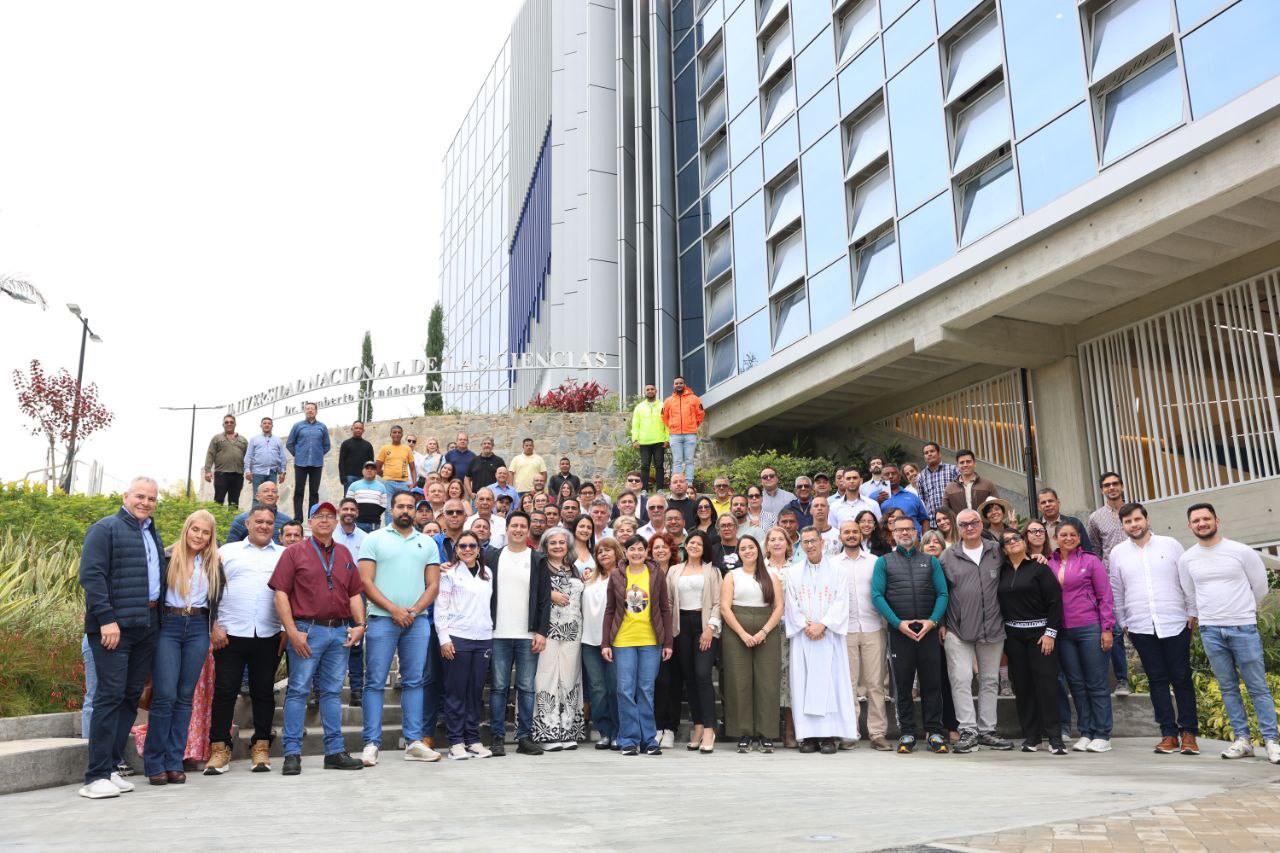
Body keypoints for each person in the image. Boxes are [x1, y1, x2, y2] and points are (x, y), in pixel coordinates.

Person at [78, 477, 164, 800]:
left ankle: (111, 766)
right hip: (114, 628)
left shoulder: (150, 531)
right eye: (140, 496)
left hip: (146, 626)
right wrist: (107, 620)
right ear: (126, 496)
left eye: (152, 498)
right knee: (109, 696)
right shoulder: (105, 529)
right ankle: (95, 775)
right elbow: (92, 576)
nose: (145, 502)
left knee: (130, 696)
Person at [269, 501, 366, 775]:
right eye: (318, 516)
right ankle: (292, 753)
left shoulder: (345, 553)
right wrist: (291, 632)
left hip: (339, 631)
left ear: (336, 523)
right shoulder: (294, 553)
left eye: (329, 516)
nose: (324, 520)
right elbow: (280, 594)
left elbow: (355, 593)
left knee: (333, 692)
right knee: (299, 691)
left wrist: (360, 625)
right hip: (307, 631)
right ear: (310, 523)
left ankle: (334, 751)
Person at [1178, 503, 1278, 764]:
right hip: (1210, 630)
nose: (1201, 523)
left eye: (1206, 518)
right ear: (1190, 526)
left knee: (1257, 687)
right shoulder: (1187, 558)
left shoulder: (1241, 551)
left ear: (1216, 520)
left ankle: (1271, 741)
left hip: (1243, 627)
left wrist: (1243, 612)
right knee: (1228, 687)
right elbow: (1190, 594)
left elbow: (1260, 587)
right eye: (1196, 520)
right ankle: (1242, 741)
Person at [357, 491, 442, 767]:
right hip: (383, 619)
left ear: (416, 512)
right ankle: (371, 743)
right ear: (391, 509)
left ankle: (414, 741)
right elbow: (365, 582)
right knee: (375, 681)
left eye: (410, 507)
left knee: (415, 680)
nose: (405, 510)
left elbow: (433, 586)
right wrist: (394, 609)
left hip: (416, 622)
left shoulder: (427, 542)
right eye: (400, 506)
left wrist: (414, 611)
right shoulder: (374, 539)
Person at [1109, 502, 1198, 756]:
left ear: (1146, 519)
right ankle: (1168, 734)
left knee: (1181, 677)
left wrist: (1192, 612)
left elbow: (1186, 580)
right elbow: (1117, 589)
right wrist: (1123, 620)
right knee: (1157, 679)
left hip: (1175, 621)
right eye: (1128, 522)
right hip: (1140, 625)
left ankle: (1189, 733)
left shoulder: (1170, 545)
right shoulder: (1118, 553)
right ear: (1123, 525)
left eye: (1137, 519)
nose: (1133, 525)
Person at [139, 510, 221, 785]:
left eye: (205, 532)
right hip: (169, 626)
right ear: (186, 530)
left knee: (185, 697)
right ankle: (154, 762)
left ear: (211, 537)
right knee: (165, 696)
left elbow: (216, 601)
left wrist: (214, 627)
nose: (199, 536)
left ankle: (174, 760)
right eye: (195, 529)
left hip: (198, 627)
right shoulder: (166, 557)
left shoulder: (213, 564)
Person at [205, 505, 284, 776]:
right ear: (248, 523)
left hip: (268, 633)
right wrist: (213, 625)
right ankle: (219, 749)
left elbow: (290, 594)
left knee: (263, 692)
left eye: (269, 522)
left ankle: (261, 747)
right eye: (258, 521)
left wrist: (286, 629)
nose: (264, 526)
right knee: (225, 692)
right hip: (230, 634)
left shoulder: (284, 555)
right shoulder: (227, 552)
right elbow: (210, 591)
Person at [871, 514, 950, 754]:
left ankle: (934, 732)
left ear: (916, 532)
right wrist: (898, 624)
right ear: (892, 534)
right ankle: (907, 732)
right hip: (900, 632)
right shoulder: (884, 562)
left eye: (909, 529)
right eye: (900, 530)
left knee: (932, 684)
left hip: (927, 631)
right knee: (903, 685)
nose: (905, 533)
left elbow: (943, 594)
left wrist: (932, 622)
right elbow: (877, 596)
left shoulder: (930, 561)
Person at [938, 509, 1012, 753]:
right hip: (958, 629)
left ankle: (987, 730)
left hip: (992, 626)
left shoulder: (997, 551)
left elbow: (1021, 562)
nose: (969, 527)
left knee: (990, 680)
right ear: (957, 528)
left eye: (974, 522)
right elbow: (939, 592)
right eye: (964, 524)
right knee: (960, 679)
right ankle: (968, 730)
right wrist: (941, 623)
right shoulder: (947, 556)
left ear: (981, 524)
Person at [483, 511, 552, 756]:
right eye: (515, 525)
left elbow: (545, 600)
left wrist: (541, 632)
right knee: (500, 687)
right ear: (507, 528)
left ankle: (524, 737)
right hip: (498, 632)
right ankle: (498, 738)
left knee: (526, 687)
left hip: (527, 634)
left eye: (524, 526)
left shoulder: (537, 559)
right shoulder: (492, 556)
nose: (519, 530)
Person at [786, 527, 857, 755]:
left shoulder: (838, 570)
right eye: (805, 542)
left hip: (829, 636)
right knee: (804, 684)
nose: (810, 546)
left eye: (813, 541)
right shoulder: (794, 572)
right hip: (804, 637)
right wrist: (806, 625)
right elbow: (791, 604)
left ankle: (828, 736)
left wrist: (823, 624)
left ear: (822, 542)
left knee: (831, 685)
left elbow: (841, 601)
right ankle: (808, 737)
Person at [602, 535, 674, 756]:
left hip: (650, 640)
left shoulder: (656, 574)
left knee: (645, 690)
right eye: (632, 549)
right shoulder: (616, 574)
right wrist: (606, 642)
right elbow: (610, 610)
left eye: (640, 549)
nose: (636, 553)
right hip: (623, 640)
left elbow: (664, 608)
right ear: (625, 552)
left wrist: (668, 641)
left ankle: (648, 739)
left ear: (646, 552)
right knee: (624, 690)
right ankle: (628, 739)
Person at [996, 528, 1066, 754]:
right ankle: (1032, 736)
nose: (1013, 542)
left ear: (1024, 542)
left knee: (1046, 685)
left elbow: (1055, 603)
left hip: (1040, 636)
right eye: (1007, 541)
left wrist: (1050, 633)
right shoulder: (1001, 572)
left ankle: (1055, 738)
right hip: (1014, 637)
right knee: (1023, 687)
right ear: (1004, 550)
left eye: (1016, 538)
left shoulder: (1040, 568)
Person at [1049, 519, 1114, 753]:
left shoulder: (1091, 561)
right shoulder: (1050, 563)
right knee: (1076, 683)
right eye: (1063, 535)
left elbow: (1105, 596)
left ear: (1078, 538)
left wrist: (1107, 628)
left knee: (1096, 683)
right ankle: (1086, 731)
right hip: (1064, 632)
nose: (1068, 538)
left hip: (1089, 628)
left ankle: (1102, 733)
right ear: (1055, 538)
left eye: (1073, 535)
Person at [719, 535, 784, 754]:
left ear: (758, 549)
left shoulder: (771, 576)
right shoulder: (731, 576)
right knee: (739, 681)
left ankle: (766, 734)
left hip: (767, 629)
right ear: (738, 553)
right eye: (743, 548)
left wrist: (764, 631)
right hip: (737, 631)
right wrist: (743, 633)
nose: (748, 551)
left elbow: (779, 607)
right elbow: (725, 608)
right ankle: (744, 733)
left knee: (767, 681)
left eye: (751, 547)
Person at [436, 530, 495, 760]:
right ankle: (455, 742)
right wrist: (444, 639)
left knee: (475, 692)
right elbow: (441, 608)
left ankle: (472, 739)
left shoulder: (487, 573)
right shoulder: (449, 573)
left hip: (482, 639)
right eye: (463, 546)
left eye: (472, 546)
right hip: (457, 638)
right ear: (456, 550)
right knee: (456, 692)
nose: (468, 550)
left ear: (479, 549)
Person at [832, 519, 891, 751]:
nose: (851, 535)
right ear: (840, 537)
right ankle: (850, 732)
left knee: (875, 684)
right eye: (846, 532)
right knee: (848, 684)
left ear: (861, 535)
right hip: (844, 630)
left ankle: (877, 733)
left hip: (873, 627)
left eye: (855, 532)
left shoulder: (875, 562)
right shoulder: (832, 564)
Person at [664, 531, 720, 754]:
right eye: (691, 543)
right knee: (689, 678)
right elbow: (668, 601)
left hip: (704, 624)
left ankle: (709, 728)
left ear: (704, 547)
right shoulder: (674, 570)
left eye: (698, 543)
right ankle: (697, 726)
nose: (694, 546)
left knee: (703, 675)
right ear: (685, 546)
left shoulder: (712, 571)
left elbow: (717, 602)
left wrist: (710, 628)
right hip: (681, 626)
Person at [532, 527, 585, 750]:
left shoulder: (573, 568)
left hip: (573, 632)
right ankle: (546, 732)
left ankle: (567, 730)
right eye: (552, 543)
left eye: (561, 542)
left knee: (570, 679)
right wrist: (549, 593)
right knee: (546, 677)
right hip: (549, 630)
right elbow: (530, 592)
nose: (557, 546)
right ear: (545, 546)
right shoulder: (539, 566)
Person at [1088, 472, 1132, 696]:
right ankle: (1123, 680)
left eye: (1115, 484)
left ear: (1122, 486)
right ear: (1102, 489)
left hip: (1136, 578)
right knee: (1114, 630)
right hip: (1110, 581)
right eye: (1107, 485)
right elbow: (1095, 551)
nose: (1112, 488)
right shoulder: (1095, 518)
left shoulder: (1135, 511)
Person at [582, 538, 621, 749]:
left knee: (614, 688)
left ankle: (618, 731)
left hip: (614, 640)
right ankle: (604, 732)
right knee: (597, 689)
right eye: (599, 552)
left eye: (608, 550)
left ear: (617, 552)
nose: (603, 554)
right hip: (589, 640)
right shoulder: (590, 578)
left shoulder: (623, 576)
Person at [763, 525, 798, 747]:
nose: (776, 543)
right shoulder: (759, 569)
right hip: (765, 628)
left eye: (781, 539)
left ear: (788, 544)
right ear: (766, 545)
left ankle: (790, 731)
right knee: (769, 677)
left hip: (791, 629)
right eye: (772, 540)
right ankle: (768, 729)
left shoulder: (796, 569)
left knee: (790, 679)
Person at [647, 532, 680, 747]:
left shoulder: (679, 571)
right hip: (653, 633)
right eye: (656, 547)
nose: (660, 550)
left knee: (675, 682)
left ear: (671, 550)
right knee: (659, 681)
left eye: (664, 547)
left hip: (678, 632)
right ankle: (658, 726)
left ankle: (671, 728)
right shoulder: (647, 572)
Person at [285, 403, 331, 522]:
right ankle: (298, 518)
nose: (310, 411)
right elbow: (289, 443)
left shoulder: (322, 427)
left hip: (317, 464)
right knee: (299, 490)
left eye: (312, 409)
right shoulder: (298, 426)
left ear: (316, 411)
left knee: (314, 492)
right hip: (300, 463)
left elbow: (327, 445)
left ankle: (312, 517)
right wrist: (298, 454)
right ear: (305, 411)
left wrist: (319, 454)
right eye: (308, 409)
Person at [662, 375, 704, 484]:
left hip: (690, 434)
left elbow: (701, 414)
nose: (678, 385)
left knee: (689, 460)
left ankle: (689, 483)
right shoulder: (668, 401)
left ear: (684, 385)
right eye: (676, 383)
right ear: (673, 386)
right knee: (677, 461)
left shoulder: (694, 398)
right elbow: (664, 417)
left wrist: (694, 425)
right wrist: (672, 426)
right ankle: (677, 483)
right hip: (675, 435)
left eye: (680, 383)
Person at [376, 425, 418, 527]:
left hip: (403, 483)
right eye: (394, 432)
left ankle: (403, 528)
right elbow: (377, 468)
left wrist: (414, 483)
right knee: (388, 509)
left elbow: (412, 468)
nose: (397, 434)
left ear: (402, 434)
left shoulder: (407, 449)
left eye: (399, 432)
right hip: (388, 483)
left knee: (404, 507)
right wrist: (386, 476)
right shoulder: (385, 448)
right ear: (390, 434)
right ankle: (390, 530)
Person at [631, 382, 669, 491]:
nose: (650, 391)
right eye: (647, 389)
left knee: (659, 466)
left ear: (656, 391)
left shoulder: (663, 406)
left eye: (652, 389)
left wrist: (667, 439)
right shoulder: (639, 407)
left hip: (659, 441)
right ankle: (644, 490)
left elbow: (667, 423)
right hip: (644, 442)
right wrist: (635, 440)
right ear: (645, 392)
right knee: (644, 467)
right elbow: (635, 425)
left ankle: (660, 490)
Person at [226, 481, 293, 543]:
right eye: (266, 491)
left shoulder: (287, 521)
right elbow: (230, 546)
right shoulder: (242, 519)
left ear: (277, 497)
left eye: (274, 491)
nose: (270, 494)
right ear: (257, 497)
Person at [203, 414, 248, 507]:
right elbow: (210, 454)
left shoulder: (243, 440)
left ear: (235, 424)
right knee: (218, 501)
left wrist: (249, 471)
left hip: (238, 475)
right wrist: (207, 471)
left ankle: (232, 521)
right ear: (223, 424)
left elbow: (248, 458)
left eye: (231, 422)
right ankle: (217, 521)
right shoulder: (217, 438)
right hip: (221, 474)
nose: (229, 424)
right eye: (226, 422)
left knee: (234, 503)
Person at [942, 450, 999, 515]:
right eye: (962, 462)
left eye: (968, 462)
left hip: (984, 525)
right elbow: (945, 512)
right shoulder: (950, 488)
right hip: (960, 525)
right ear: (957, 466)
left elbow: (997, 507)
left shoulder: (988, 485)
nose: (965, 465)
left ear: (974, 463)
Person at [1039, 488, 1094, 554]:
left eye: (1050, 501)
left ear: (1058, 502)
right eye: (1043, 502)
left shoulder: (1074, 523)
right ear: (1039, 507)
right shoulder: (1034, 528)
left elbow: (1087, 550)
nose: (1047, 505)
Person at [879, 464, 930, 533]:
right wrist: (877, 502)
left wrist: (925, 541)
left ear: (899, 477)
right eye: (887, 474)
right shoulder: (874, 497)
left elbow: (924, 520)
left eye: (893, 473)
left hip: (914, 540)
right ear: (881, 478)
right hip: (888, 540)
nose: (890, 476)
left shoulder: (912, 496)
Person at [243, 416, 287, 496]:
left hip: (272, 473)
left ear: (272, 426)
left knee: (271, 497)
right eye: (264, 423)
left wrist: (282, 472)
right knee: (257, 497)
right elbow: (248, 456)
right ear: (261, 425)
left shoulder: (278, 440)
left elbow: (282, 457)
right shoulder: (254, 439)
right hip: (257, 473)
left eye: (269, 424)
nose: (267, 425)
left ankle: (270, 509)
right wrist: (247, 471)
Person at [915, 442, 959, 515]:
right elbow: (922, 501)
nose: (929, 454)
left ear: (939, 454)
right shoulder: (921, 477)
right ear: (924, 457)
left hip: (953, 517)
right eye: (926, 453)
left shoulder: (953, 469)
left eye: (932, 451)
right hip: (933, 522)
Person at [346, 461, 388, 532]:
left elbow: (384, 505)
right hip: (357, 523)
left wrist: (374, 514)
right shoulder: (353, 485)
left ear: (375, 472)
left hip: (374, 524)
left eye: (372, 469)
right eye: (367, 468)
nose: (369, 470)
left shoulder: (382, 487)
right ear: (363, 471)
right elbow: (348, 503)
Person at [337, 421, 375, 491]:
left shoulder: (368, 445)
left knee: (362, 499)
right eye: (356, 428)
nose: (358, 430)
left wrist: (371, 476)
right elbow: (341, 461)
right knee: (349, 499)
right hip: (349, 477)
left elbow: (371, 463)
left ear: (363, 430)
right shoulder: (346, 444)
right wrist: (342, 476)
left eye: (360, 428)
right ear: (352, 429)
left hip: (364, 477)